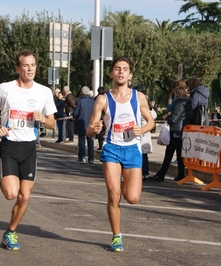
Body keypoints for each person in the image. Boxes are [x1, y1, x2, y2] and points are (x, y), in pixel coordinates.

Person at [0, 50, 56, 251]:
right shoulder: (5, 89)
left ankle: (10, 232)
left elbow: (51, 122)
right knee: (10, 194)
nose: (30, 68)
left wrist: (43, 119)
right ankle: (2, 176)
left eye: (33, 65)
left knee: (24, 196)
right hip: (9, 145)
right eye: (25, 65)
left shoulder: (44, 92)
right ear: (18, 68)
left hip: (29, 148)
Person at [86, 56, 154, 252]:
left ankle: (123, 180)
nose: (121, 72)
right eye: (117, 68)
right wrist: (95, 128)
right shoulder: (102, 99)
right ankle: (117, 236)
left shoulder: (139, 97)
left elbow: (149, 121)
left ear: (130, 74)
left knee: (132, 197)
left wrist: (144, 129)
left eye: (125, 69)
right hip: (111, 149)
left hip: (132, 149)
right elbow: (89, 131)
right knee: (114, 195)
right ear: (111, 73)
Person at [150, 80, 193, 182]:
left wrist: (168, 119)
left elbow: (175, 117)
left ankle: (161, 174)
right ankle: (181, 174)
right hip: (182, 129)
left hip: (176, 130)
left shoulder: (179, 102)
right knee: (179, 153)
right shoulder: (188, 101)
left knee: (169, 152)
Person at [133, 86, 157, 181]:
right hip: (143, 134)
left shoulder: (139, 105)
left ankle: (142, 173)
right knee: (143, 156)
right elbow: (154, 115)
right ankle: (145, 173)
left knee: (140, 155)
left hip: (141, 133)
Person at [73, 86, 95, 163]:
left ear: (82, 92)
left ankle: (82, 157)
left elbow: (76, 113)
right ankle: (91, 158)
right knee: (90, 142)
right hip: (90, 123)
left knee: (82, 142)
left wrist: (74, 115)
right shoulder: (93, 101)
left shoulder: (79, 101)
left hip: (81, 123)